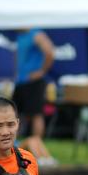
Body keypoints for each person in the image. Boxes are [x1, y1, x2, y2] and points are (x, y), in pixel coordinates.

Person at [12, 28, 56, 164]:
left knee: (36, 114)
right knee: (14, 115)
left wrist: (41, 71)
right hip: (20, 81)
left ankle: (38, 151)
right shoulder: (20, 36)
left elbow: (50, 52)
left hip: (33, 81)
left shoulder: (36, 34)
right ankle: (15, 149)